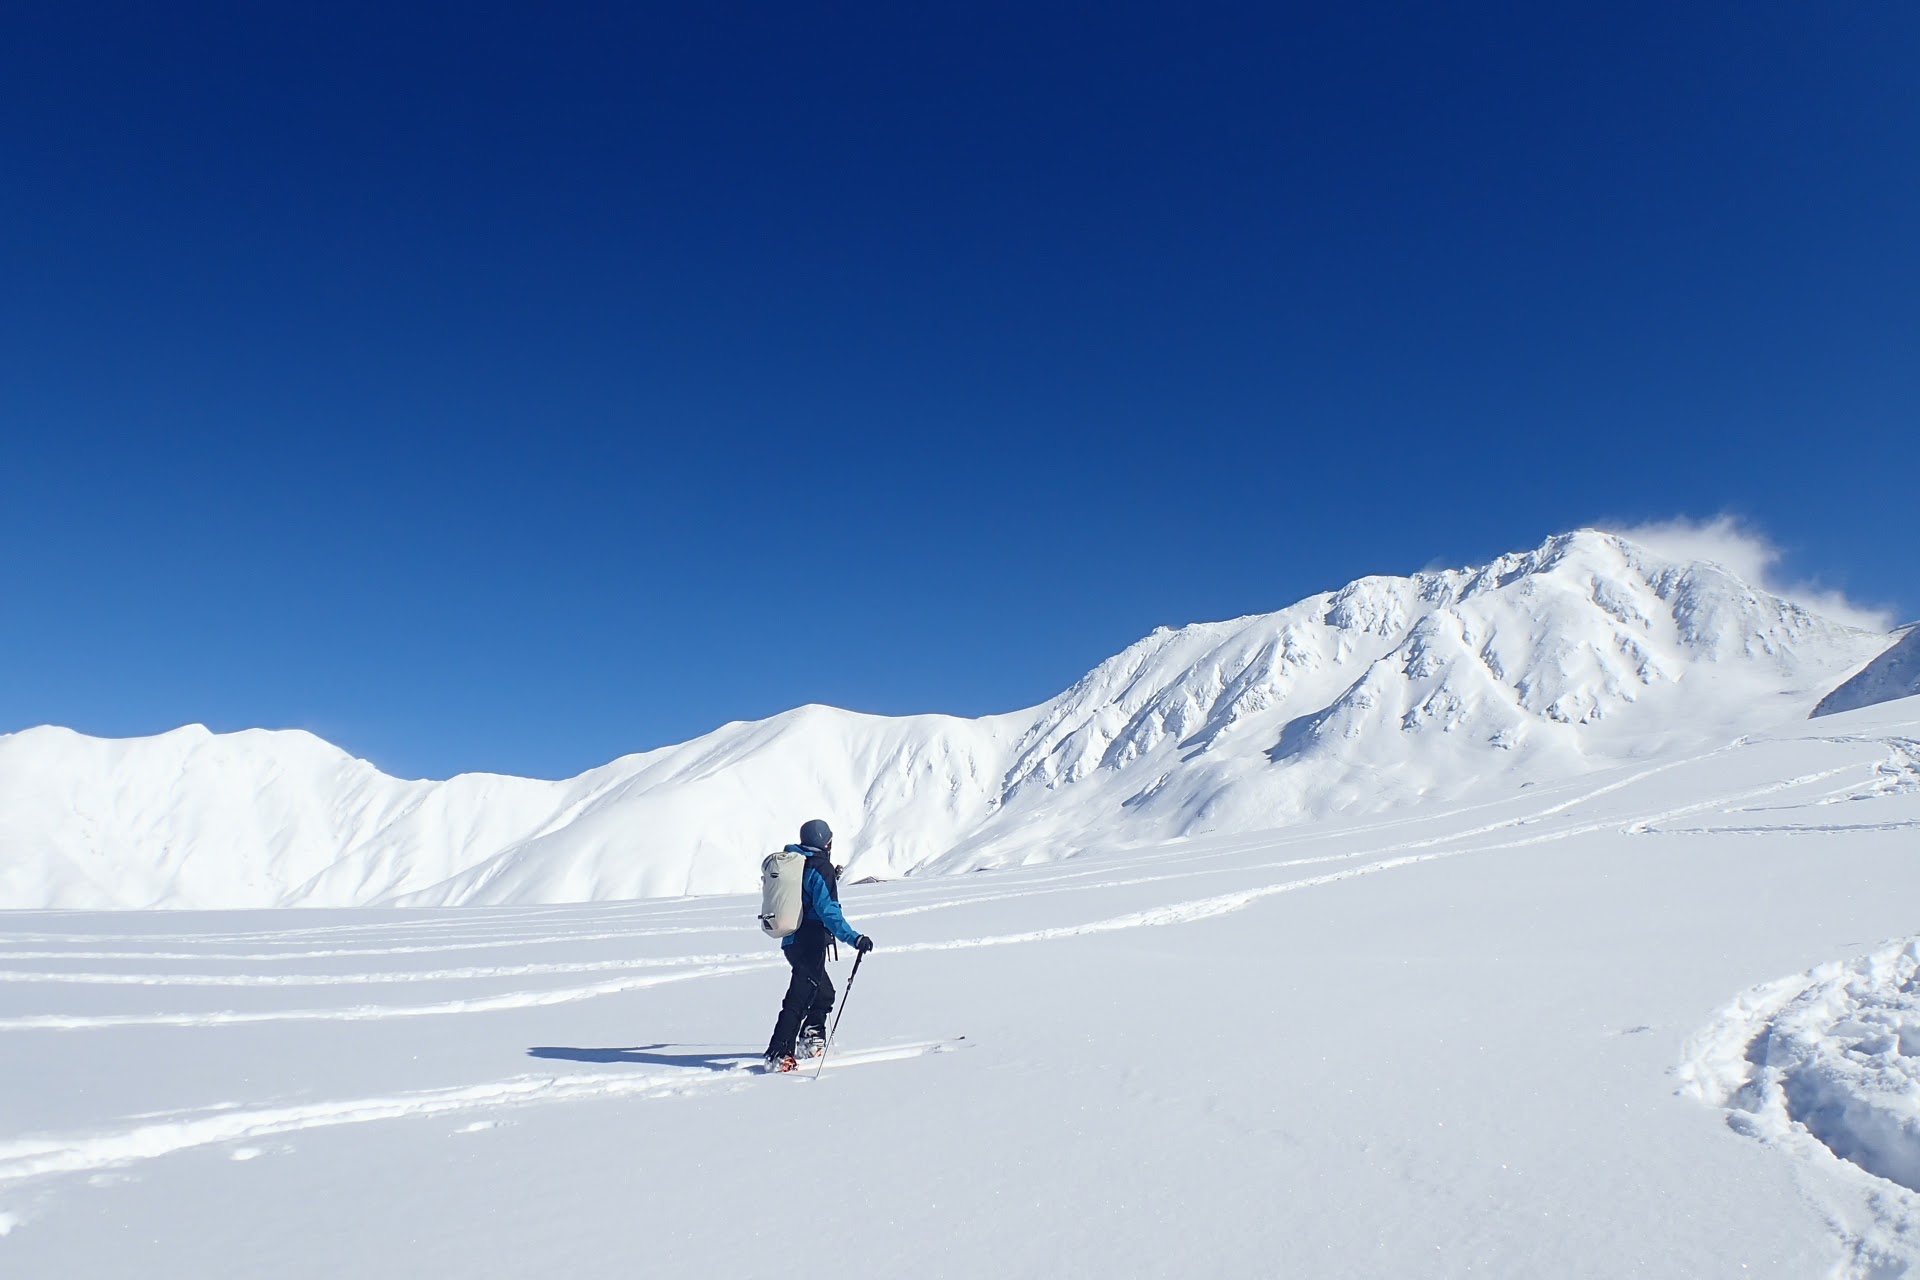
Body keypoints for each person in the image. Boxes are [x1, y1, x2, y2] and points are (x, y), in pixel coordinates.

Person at [763, 818, 873, 1072]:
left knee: (823, 993)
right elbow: (828, 911)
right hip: (809, 941)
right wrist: (854, 938)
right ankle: (778, 1053)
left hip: (791, 939)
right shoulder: (820, 867)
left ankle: (810, 1039)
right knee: (798, 998)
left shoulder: (795, 862)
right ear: (826, 842)